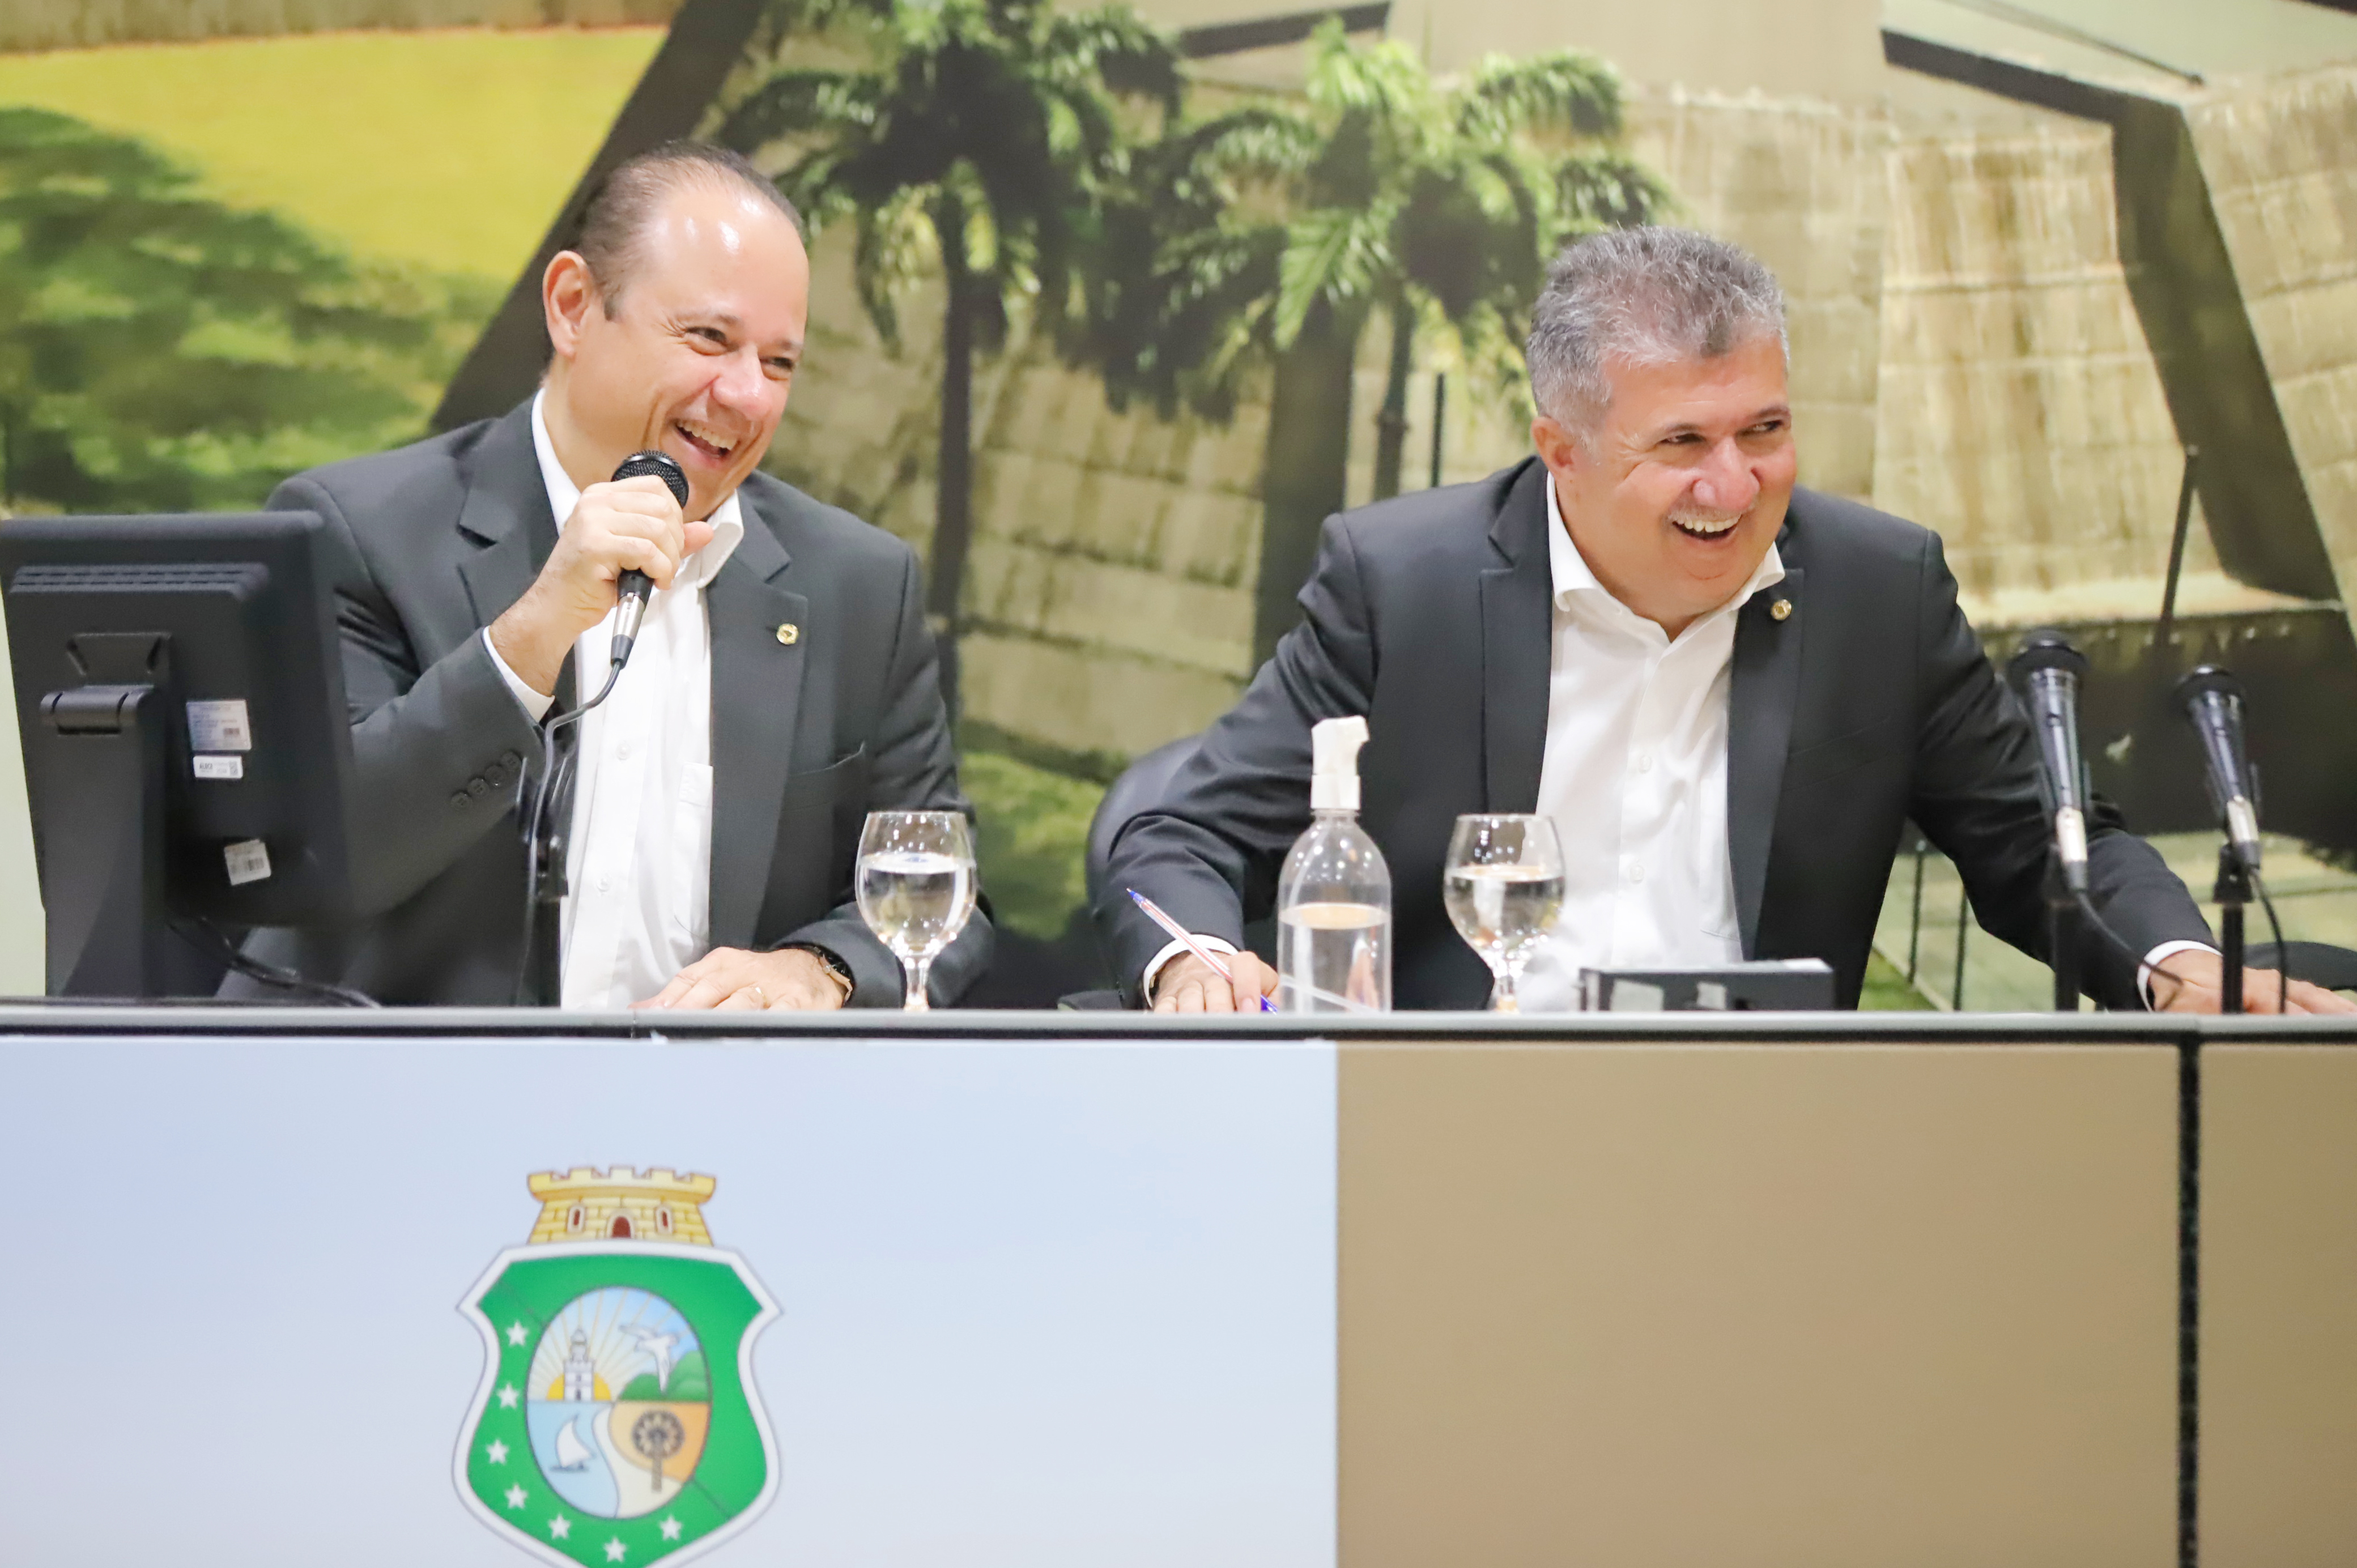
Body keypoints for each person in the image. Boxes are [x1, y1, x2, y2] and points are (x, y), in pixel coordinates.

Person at [1098, 227, 2351, 1016]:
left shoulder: (1879, 589)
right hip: (1451, 1119)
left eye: (1765, 430)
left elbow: (2042, 849)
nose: (1734, 485)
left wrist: (2178, 965)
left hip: (1768, 1132)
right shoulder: (1401, 584)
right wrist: (1193, 961)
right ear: (1561, 450)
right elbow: (1178, 831)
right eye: (1682, 443)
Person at [232, 140, 990, 1007]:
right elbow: (317, 863)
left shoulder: (857, 586)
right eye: (710, 339)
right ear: (573, 308)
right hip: (411, 1084)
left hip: (718, 1091)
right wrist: (532, 635)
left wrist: (819, 970)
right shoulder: (359, 535)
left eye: (779, 363)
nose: (748, 396)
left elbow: (947, 900)